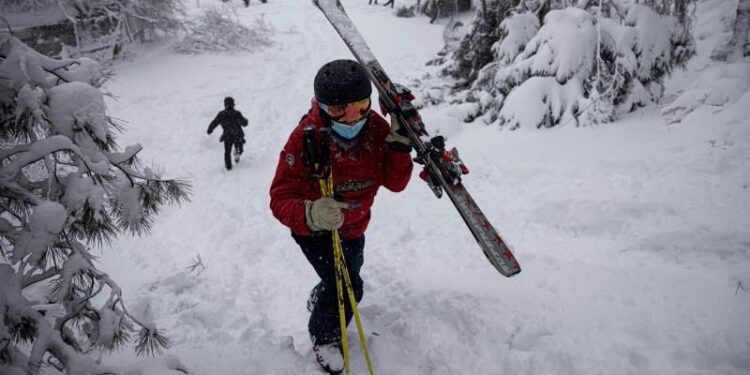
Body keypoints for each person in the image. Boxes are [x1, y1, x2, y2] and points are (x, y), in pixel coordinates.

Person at [269, 59, 413, 374]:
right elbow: (279, 197)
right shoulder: (305, 138)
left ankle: (323, 295)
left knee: (343, 277)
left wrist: (400, 147)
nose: (351, 117)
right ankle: (325, 338)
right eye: (338, 110)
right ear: (322, 107)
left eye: (360, 106)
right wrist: (311, 212)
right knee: (349, 287)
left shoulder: (375, 128)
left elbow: (395, 183)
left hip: (354, 227)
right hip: (314, 231)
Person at [207, 96, 248, 171]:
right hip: (237, 135)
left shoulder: (221, 114)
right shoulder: (237, 113)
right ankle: (237, 152)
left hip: (227, 136)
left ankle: (228, 167)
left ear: (225, 104)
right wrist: (245, 121)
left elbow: (214, 122)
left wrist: (210, 129)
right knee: (240, 148)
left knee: (227, 152)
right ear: (233, 104)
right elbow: (244, 123)